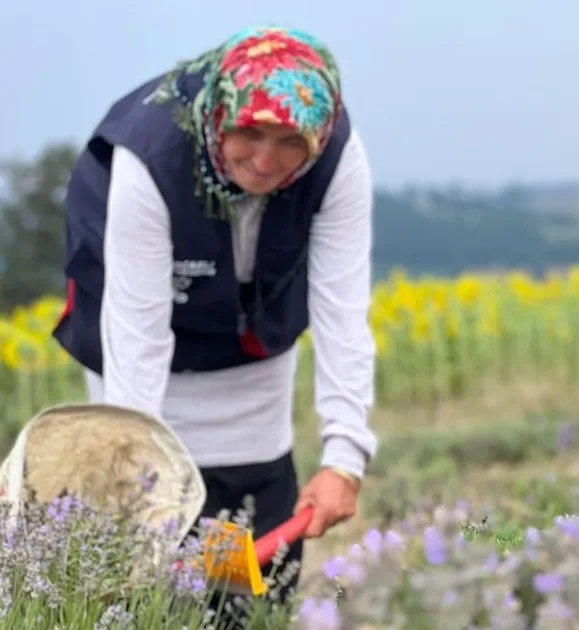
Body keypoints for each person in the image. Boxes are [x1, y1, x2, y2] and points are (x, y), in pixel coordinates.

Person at [51, 25, 379, 602]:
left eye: (290, 141)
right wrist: (137, 474)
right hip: (143, 363)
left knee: (245, 567)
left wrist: (345, 457)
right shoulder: (149, 157)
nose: (265, 160)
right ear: (219, 120)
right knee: (150, 572)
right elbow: (138, 332)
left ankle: (238, 611)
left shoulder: (336, 156)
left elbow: (342, 310)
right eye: (249, 133)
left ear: (318, 135)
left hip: (250, 367)